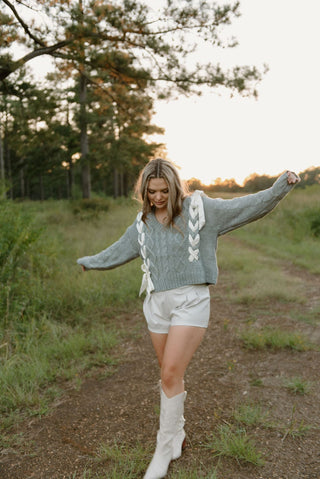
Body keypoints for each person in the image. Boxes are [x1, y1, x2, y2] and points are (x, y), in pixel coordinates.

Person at [77, 158, 300, 479]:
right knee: (170, 376)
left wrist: (281, 186)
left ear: (175, 186)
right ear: (143, 191)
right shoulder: (142, 224)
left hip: (191, 302)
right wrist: (90, 262)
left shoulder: (200, 210)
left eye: (164, 190)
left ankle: (164, 447)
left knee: (170, 372)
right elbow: (116, 251)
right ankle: (177, 432)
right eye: (151, 191)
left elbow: (248, 207)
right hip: (156, 304)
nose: (157, 197)